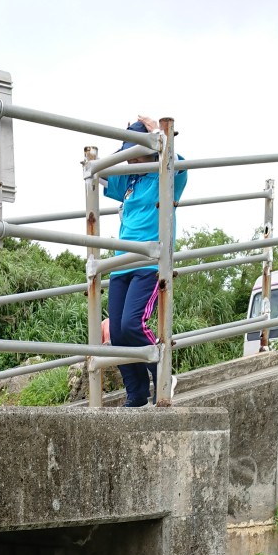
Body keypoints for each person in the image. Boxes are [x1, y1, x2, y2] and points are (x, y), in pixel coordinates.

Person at [102, 116, 188, 406]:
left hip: (150, 262)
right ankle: (136, 393)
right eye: (128, 153)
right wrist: (126, 140)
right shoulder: (129, 179)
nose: (130, 159)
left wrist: (157, 135)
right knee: (117, 334)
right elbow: (101, 173)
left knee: (132, 324)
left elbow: (178, 162)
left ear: (150, 150)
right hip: (120, 263)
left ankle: (162, 373)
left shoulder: (165, 175)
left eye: (135, 152)